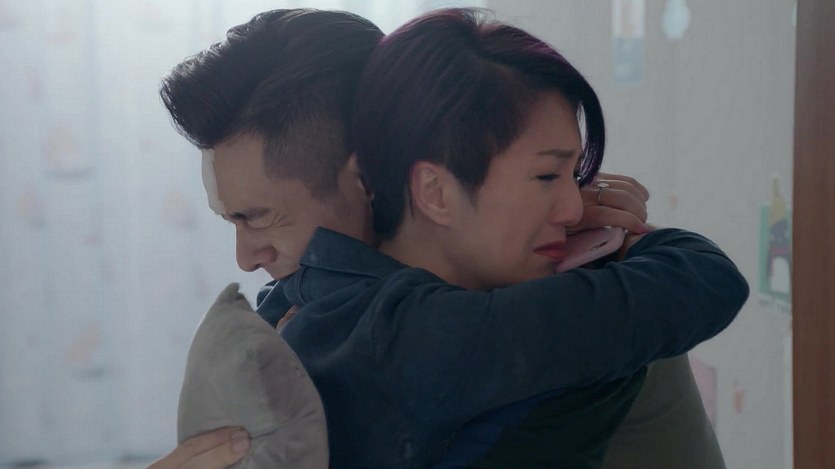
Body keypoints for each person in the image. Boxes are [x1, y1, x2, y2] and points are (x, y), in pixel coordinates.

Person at [153, 7, 746, 468]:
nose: (246, 258)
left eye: (258, 217)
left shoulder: (546, 302)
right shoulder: (315, 318)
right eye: (545, 176)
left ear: (370, 180)